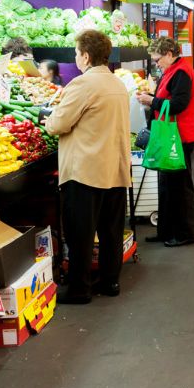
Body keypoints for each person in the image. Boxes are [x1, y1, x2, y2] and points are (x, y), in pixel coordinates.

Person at [44, 30, 132, 304]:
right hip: (115, 169)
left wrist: (46, 117)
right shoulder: (117, 84)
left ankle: (79, 289)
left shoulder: (83, 85)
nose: (75, 58)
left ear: (86, 55)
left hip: (86, 172)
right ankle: (110, 281)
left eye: (76, 53)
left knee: (80, 234)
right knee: (110, 232)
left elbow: (58, 124)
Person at [138, 36, 194, 248]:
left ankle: (186, 233)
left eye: (158, 59)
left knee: (180, 186)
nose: (156, 64)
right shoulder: (174, 71)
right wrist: (152, 96)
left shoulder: (182, 73)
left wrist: (152, 100)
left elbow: (178, 104)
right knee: (167, 185)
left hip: (181, 136)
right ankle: (166, 230)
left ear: (169, 54)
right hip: (173, 135)